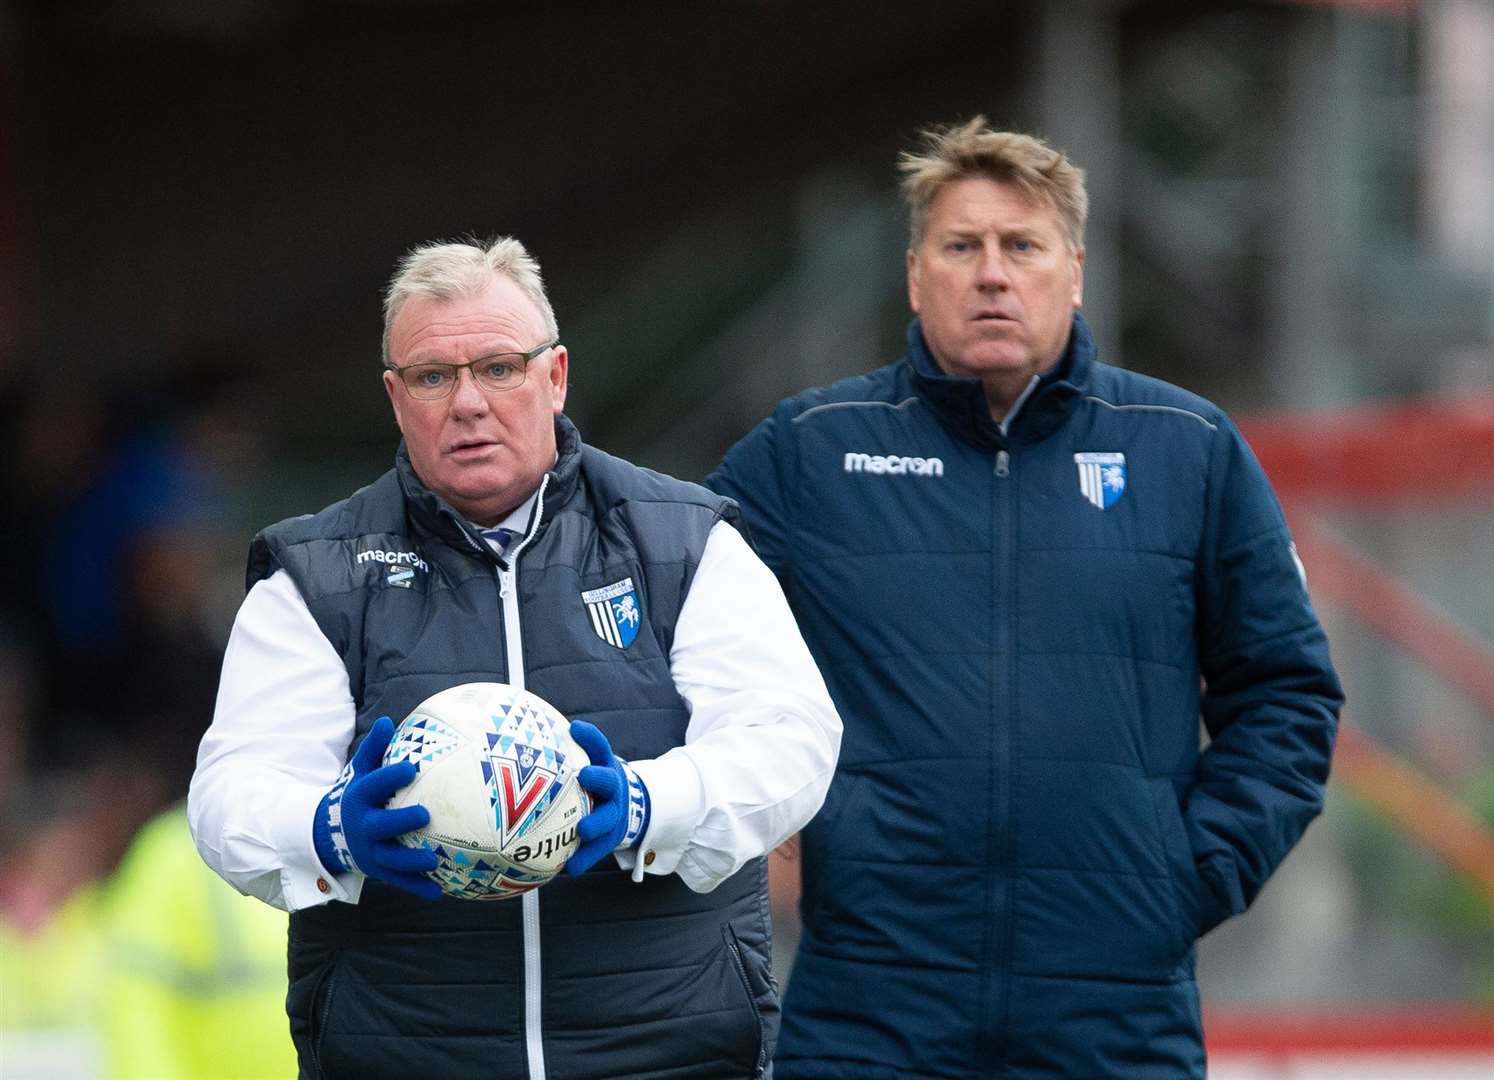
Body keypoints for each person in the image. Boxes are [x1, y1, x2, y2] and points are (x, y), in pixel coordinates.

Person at [707, 118, 1343, 1078]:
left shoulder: (1188, 449)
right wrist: (794, 817)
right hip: (870, 1005)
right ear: (918, 275)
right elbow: (677, 634)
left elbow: (1288, 693)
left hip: (1118, 1011)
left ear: (1074, 272)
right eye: (961, 246)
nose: (992, 273)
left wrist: (1186, 876)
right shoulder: (812, 451)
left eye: (1022, 246)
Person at [188, 237, 841, 1079]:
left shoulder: (686, 540)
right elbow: (231, 792)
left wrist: (649, 805)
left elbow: (790, 739)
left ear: (556, 376)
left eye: (499, 367)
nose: (467, 403)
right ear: (395, 397)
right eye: (432, 376)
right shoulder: (315, 574)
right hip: (406, 1057)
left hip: (668, 1053)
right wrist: (331, 831)